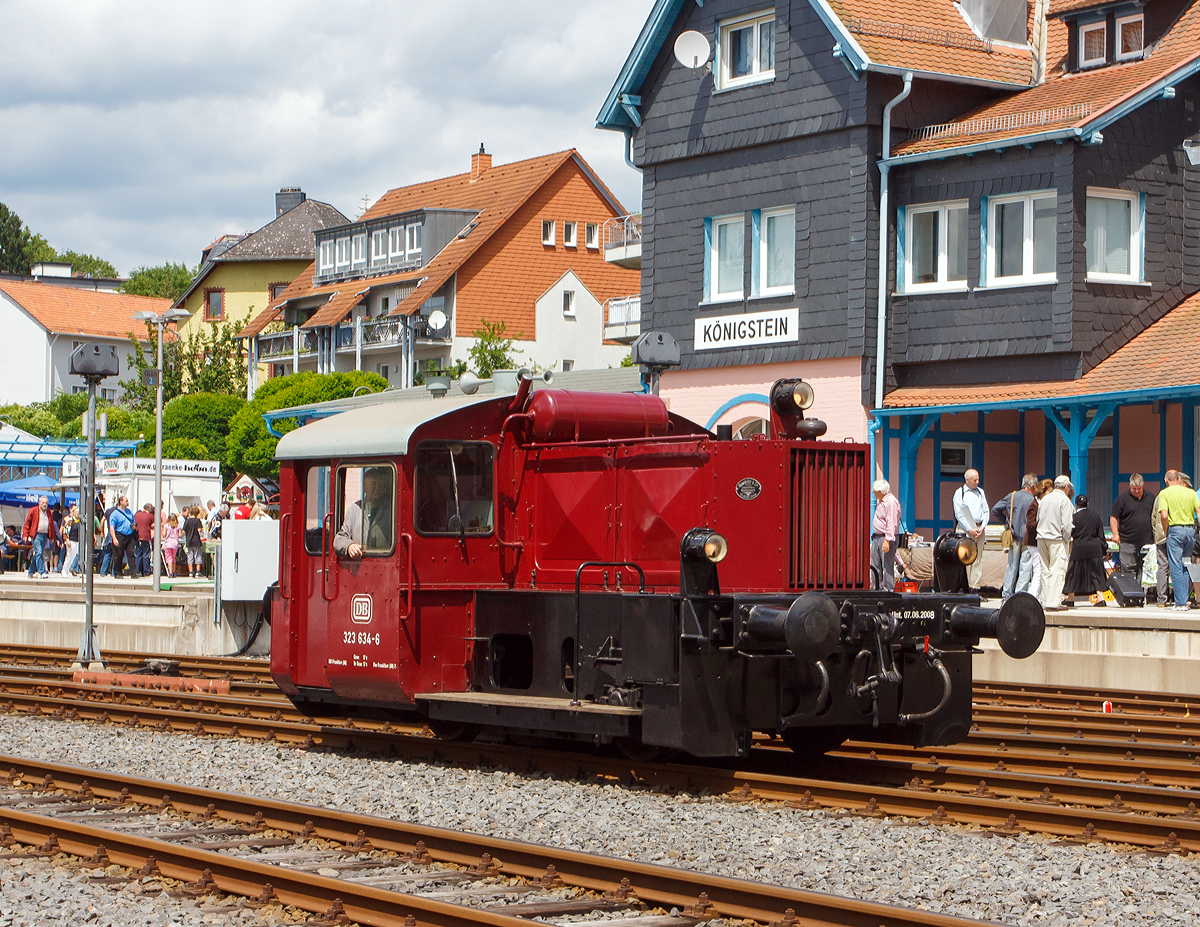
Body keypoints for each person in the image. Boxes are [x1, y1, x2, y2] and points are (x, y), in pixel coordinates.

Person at [1157, 469, 1200, 611]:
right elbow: (1199, 512)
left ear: (1166, 480)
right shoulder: (1191, 492)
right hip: (1190, 531)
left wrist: (1166, 530)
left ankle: (1180, 602)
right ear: (1179, 479)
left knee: (1175, 566)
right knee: (1186, 565)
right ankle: (1185, 599)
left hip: (1175, 530)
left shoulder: (1165, 493)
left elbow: (1164, 515)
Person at [991, 474, 1037, 598]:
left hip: (1013, 534)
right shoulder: (1033, 499)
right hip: (1028, 536)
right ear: (1032, 486)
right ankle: (1019, 594)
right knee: (1025, 567)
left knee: (1011, 565)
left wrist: (1007, 522)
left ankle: (1006, 594)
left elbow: (995, 509)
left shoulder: (1012, 496)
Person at [334, 468, 392, 559]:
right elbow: (339, 539)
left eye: (380, 484)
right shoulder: (354, 509)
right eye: (373, 483)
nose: (377, 487)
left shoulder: (391, 510)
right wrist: (350, 546)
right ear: (364, 486)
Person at [1037, 476, 1075, 611]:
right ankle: (1053, 603)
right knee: (1057, 570)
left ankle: (1046, 600)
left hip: (1041, 538)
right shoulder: (1065, 501)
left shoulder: (1044, 499)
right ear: (1066, 487)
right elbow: (1066, 525)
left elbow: (1038, 518)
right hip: (1057, 539)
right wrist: (1066, 539)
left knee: (1045, 571)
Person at [1065, 494, 1108, 606]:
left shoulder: (1073, 518)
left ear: (1076, 504)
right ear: (1087, 504)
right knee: (1096, 573)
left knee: (1073, 573)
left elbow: (1070, 533)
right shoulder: (1096, 516)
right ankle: (1100, 598)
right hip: (1095, 548)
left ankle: (1070, 598)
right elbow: (1101, 536)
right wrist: (1104, 550)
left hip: (1079, 548)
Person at [1110, 473, 1154, 579]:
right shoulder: (1122, 498)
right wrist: (1115, 533)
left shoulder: (1151, 497)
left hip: (1147, 541)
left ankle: (1141, 594)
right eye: (1134, 489)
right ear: (1130, 486)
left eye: (1139, 488)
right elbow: (1113, 517)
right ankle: (1130, 594)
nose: (1137, 491)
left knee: (1145, 570)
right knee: (1128, 570)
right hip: (1127, 541)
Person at [952, 468, 989, 590]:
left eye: (978, 479)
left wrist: (982, 526)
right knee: (964, 558)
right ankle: (963, 586)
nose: (977, 482)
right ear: (967, 480)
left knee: (978, 558)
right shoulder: (960, 493)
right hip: (965, 529)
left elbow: (986, 510)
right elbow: (959, 514)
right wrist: (969, 529)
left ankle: (975, 587)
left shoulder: (980, 492)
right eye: (974, 480)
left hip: (979, 528)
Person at [869, 479, 901, 592]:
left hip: (885, 537)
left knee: (887, 566)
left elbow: (891, 522)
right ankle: (876, 589)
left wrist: (887, 540)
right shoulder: (882, 501)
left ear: (880, 491)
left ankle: (888, 590)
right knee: (875, 565)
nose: (873, 493)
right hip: (877, 537)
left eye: (874, 491)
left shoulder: (890, 502)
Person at [1024, 479, 1054, 599]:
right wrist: (1043, 522)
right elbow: (1030, 525)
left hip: (1041, 540)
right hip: (1033, 542)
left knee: (1042, 570)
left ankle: (1039, 596)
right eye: (1048, 493)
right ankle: (1033, 597)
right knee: (1039, 570)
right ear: (1042, 492)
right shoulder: (1034, 505)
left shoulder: (1044, 504)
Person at [21, 495, 58, 578]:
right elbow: (27, 523)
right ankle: (42, 571)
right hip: (36, 534)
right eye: (43, 503)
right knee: (39, 552)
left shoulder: (49, 512)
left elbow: (51, 525)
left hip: (45, 535)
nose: (45, 504)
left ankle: (30, 571)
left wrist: (52, 536)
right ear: (39, 503)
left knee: (38, 554)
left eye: (46, 503)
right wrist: (25, 534)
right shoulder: (33, 510)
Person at [107, 495, 137, 579]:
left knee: (131, 553)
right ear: (121, 502)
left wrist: (133, 526)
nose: (127, 502)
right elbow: (112, 527)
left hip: (129, 535)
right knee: (118, 555)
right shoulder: (115, 513)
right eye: (126, 501)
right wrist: (114, 538)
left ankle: (133, 572)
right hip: (119, 535)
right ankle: (117, 573)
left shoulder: (129, 512)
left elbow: (132, 521)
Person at [183, 506, 206, 578]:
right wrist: (202, 530)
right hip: (196, 540)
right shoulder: (197, 521)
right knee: (198, 556)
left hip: (189, 541)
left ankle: (191, 572)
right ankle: (198, 572)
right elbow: (199, 530)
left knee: (190, 557)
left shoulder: (187, 521)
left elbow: (183, 531)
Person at [133, 504, 155, 577]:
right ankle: (146, 571)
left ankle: (138, 571)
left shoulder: (136, 514)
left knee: (137, 554)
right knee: (146, 554)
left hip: (136, 536)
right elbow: (154, 524)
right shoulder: (150, 516)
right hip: (145, 536)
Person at [60, 504, 80, 577]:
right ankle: (64, 571)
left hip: (78, 541)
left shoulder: (80, 521)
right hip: (71, 540)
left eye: (79, 512)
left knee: (76, 556)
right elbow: (65, 530)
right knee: (69, 556)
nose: (78, 513)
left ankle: (75, 570)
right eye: (76, 512)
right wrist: (67, 540)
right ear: (73, 512)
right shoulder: (70, 520)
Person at [162, 513, 181, 579]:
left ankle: (170, 573)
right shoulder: (178, 526)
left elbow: (164, 534)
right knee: (173, 558)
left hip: (168, 543)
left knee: (169, 558)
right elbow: (180, 535)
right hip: (175, 543)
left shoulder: (166, 525)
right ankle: (173, 572)